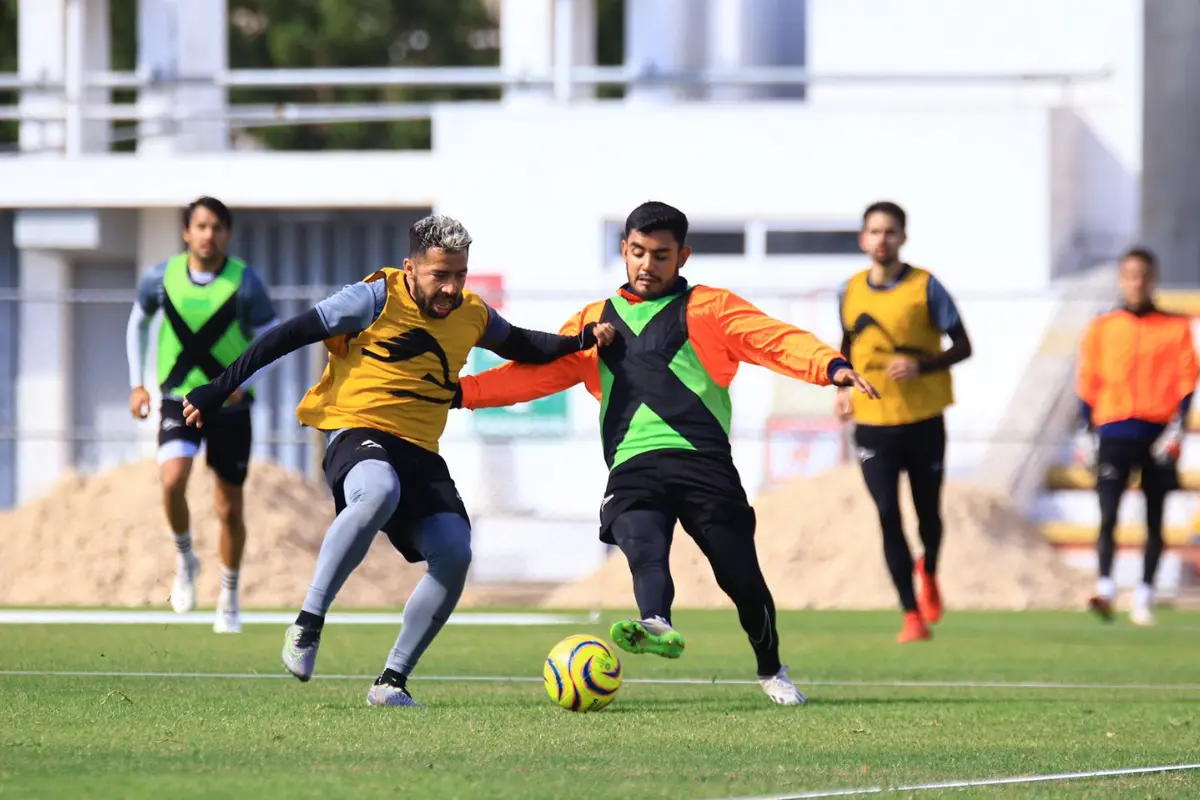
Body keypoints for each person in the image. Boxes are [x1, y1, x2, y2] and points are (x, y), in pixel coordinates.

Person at [454, 201, 879, 707]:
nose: (647, 265)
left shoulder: (712, 308)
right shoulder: (595, 322)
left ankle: (771, 668)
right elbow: (535, 375)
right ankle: (656, 621)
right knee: (642, 545)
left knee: (741, 578)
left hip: (704, 462)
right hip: (634, 462)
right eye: (637, 253)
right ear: (623, 250)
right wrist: (462, 392)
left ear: (683, 256)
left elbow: (774, 340)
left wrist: (831, 367)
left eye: (660, 255)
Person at [181, 213, 614, 707]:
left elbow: (525, 346)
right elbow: (285, 335)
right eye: (440, 275)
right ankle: (308, 623)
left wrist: (581, 341)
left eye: (460, 275)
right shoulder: (373, 298)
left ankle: (392, 681)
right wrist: (219, 388)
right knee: (378, 490)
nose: (451, 287)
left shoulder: (472, 314)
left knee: (454, 554)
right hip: (357, 431)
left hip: (420, 451)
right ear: (410, 267)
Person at [127, 196, 279, 634]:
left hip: (229, 404)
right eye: (200, 226)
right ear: (186, 232)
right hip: (179, 397)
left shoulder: (246, 282)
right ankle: (185, 557)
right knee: (172, 479)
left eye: (216, 227)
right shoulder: (161, 278)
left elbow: (275, 342)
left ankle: (229, 595)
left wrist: (243, 386)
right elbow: (136, 323)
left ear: (226, 234)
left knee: (228, 508)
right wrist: (138, 383)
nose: (208, 234)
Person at [835, 201, 973, 644]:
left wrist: (922, 366)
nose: (882, 239)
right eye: (874, 232)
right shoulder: (850, 289)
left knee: (927, 514)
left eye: (890, 232)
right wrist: (840, 387)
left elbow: (964, 345)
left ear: (903, 238)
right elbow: (846, 343)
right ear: (863, 239)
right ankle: (911, 615)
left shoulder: (925, 286)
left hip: (923, 419)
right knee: (888, 515)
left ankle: (928, 568)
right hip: (873, 422)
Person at [1075, 247, 1199, 627]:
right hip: (1113, 428)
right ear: (1121, 279)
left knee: (1154, 517)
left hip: (1158, 432)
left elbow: (1186, 380)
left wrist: (1176, 428)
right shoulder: (1103, 326)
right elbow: (1088, 381)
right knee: (1108, 513)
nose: (1137, 282)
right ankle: (1106, 587)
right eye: (1130, 275)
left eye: (1143, 275)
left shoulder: (1174, 327)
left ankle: (1144, 595)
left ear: (1154, 279)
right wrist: (1086, 431)